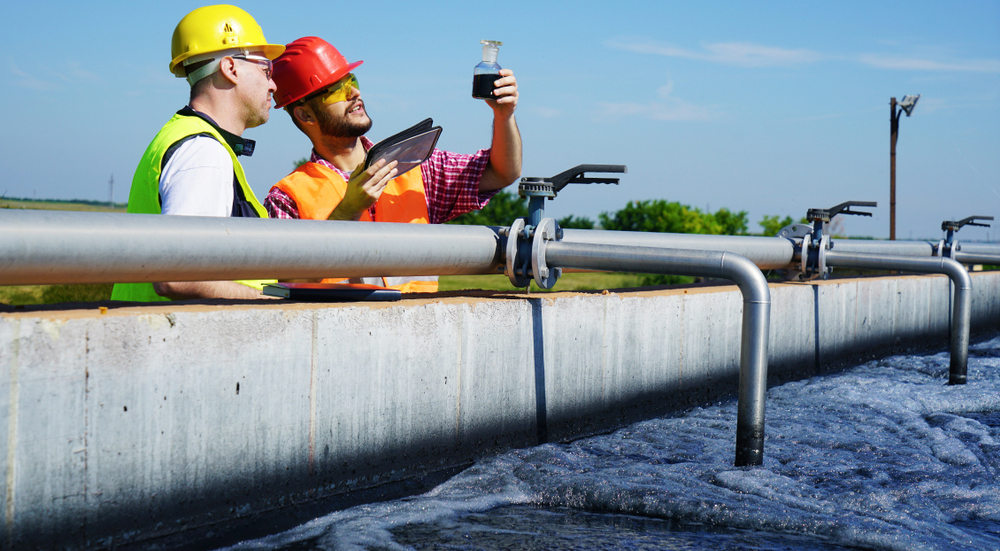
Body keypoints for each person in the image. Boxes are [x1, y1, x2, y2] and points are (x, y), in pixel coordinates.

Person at [264, 37, 522, 292]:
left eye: (352, 81)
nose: (355, 93)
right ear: (305, 114)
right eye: (337, 89)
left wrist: (504, 116)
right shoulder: (287, 197)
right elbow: (291, 285)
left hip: (418, 329)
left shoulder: (415, 165)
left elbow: (501, 172)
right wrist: (347, 211)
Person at [111, 5, 284, 302]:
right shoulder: (203, 152)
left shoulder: (184, 137)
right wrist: (270, 305)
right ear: (230, 68)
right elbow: (176, 275)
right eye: (265, 68)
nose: (273, 84)